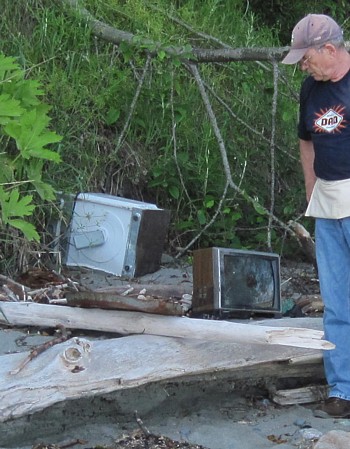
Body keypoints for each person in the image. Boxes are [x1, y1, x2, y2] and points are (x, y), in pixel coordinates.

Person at [282, 13, 350, 419]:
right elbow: (305, 142)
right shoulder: (311, 89)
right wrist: (311, 193)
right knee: (338, 305)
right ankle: (342, 388)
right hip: (328, 208)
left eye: (306, 58)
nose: (303, 66)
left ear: (329, 49)